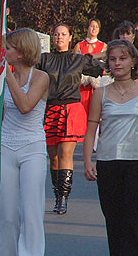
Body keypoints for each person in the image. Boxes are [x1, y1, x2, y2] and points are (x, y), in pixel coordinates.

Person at [84, 39, 138, 256]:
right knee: (114, 224)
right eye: (113, 59)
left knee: (132, 224)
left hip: (137, 162)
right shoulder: (101, 92)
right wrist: (88, 159)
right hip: (108, 163)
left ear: (134, 61)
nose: (118, 63)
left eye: (123, 59)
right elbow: (91, 130)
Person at [0, 29, 49, 256]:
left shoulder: (41, 77)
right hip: (7, 145)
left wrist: (9, 78)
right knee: (6, 215)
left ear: (22, 51)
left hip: (32, 148)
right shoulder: (3, 76)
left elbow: (26, 105)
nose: (6, 51)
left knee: (31, 213)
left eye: (10, 48)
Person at [39, 23, 103, 215]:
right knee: (53, 157)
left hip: (71, 108)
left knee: (65, 153)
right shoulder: (44, 59)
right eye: (56, 34)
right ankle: (57, 194)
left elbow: (102, 69)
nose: (59, 37)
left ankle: (63, 199)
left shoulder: (78, 59)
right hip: (50, 108)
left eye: (63, 34)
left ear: (70, 37)